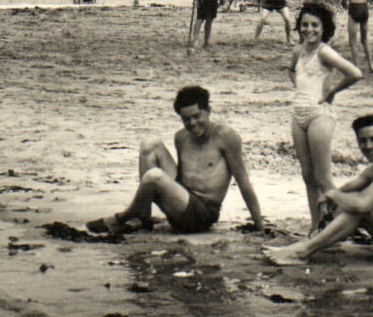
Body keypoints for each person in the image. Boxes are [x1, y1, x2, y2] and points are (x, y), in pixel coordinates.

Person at [87, 85, 264, 235]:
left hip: (201, 216)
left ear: (208, 111)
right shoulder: (181, 137)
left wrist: (259, 226)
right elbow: (181, 177)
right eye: (186, 119)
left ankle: (123, 217)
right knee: (150, 143)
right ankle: (143, 217)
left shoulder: (226, 136)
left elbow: (244, 182)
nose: (192, 123)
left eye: (197, 116)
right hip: (181, 203)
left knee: (154, 176)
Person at [264, 113, 373, 271]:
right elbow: (350, 188)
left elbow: (362, 204)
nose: (368, 146)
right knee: (352, 202)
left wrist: (334, 195)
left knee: (365, 207)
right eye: (363, 141)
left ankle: (302, 252)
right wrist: (332, 198)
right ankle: (305, 245)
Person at [287, 3, 364, 232]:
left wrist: (331, 92)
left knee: (323, 177)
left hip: (319, 114)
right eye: (304, 25)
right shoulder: (298, 51)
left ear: (323, 28)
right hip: (298, 112)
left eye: (315, 25)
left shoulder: (324, 51)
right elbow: (291, 70)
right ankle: (316, 226)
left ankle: (341, 226)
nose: (309, 30)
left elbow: (355, 73)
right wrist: (300, 90)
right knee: (307, 175)